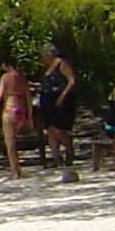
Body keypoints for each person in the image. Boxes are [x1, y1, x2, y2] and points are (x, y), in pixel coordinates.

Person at [36, 42, 81, 183]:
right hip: (47, 99)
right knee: (49, 129)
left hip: (60, 99)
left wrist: (63, 96)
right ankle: (55, 157)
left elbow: (71, 81)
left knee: (59, 129)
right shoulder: (48, 68)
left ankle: (69, 150)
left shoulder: (61, 63)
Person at [0, 58, 31, 180]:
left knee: (9, 142)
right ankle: (17, 166)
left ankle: (14, 171)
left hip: (10, 108)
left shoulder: (6, 77)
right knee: (13, 139)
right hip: (21, 110)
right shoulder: (22, 78)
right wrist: (29, 116)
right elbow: (28, 97)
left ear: (6, 65)